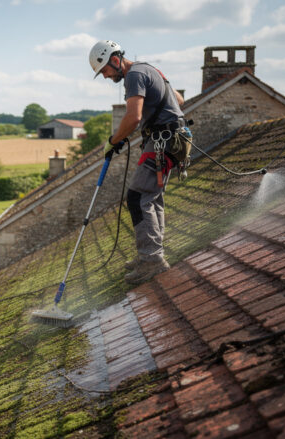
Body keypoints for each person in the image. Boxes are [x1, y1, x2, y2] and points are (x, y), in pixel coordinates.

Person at [89, 40, 187, 285]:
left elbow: (133, 118)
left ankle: (152, 260)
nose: (105, 76)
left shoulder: (134, 76)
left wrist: (114, 139)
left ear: (114, 59)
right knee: (152, 198)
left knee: (137, 197)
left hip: (164, 140)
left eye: (104, 71)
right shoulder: (149, 70)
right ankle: (150, 255)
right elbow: (178, 100)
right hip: (173, 140)